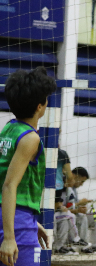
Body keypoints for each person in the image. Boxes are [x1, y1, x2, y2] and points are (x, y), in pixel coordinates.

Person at [0, 68, 55, 266]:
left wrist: (32, 222)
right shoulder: (30, 138)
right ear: (40, 107)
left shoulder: (9, 128)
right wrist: (10, 235)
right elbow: (9, 185)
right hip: (16, 222)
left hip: (14, 217)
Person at [64, 167, 96, 254]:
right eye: (82, 181)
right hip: (71, 215)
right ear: (75, 176)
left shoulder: (73, 190)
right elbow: (65, 207)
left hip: (76, 214)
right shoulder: (65, 187)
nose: (81, 184)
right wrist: (79, 204)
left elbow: (72, 205)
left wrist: (80, 205)